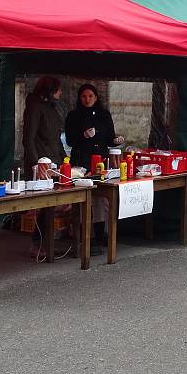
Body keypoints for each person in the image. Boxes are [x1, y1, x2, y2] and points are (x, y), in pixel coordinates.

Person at [65, 83, 124, 254]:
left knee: (100, 198)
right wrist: (83, 135)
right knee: (84, 197)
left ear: (96, 97)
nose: (87, 99)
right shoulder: (73, 116)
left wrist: (117, 140)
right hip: (82, 161)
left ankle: (100, 233)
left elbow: (109, 138)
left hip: (101, 160)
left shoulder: (104, 115)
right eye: (84, 96)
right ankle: (85, 236)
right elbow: (70, 140)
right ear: (79, 98)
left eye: (90, 96)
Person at [25, 76, 66, 172]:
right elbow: (28, 138)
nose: (60, 92)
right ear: (51, 90)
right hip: (41, 162)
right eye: (58, 90)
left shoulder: (52, 108)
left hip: (54, 160)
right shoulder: (35, 108)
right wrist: (35, 162)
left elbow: (56, 138)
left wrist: (64, 159)